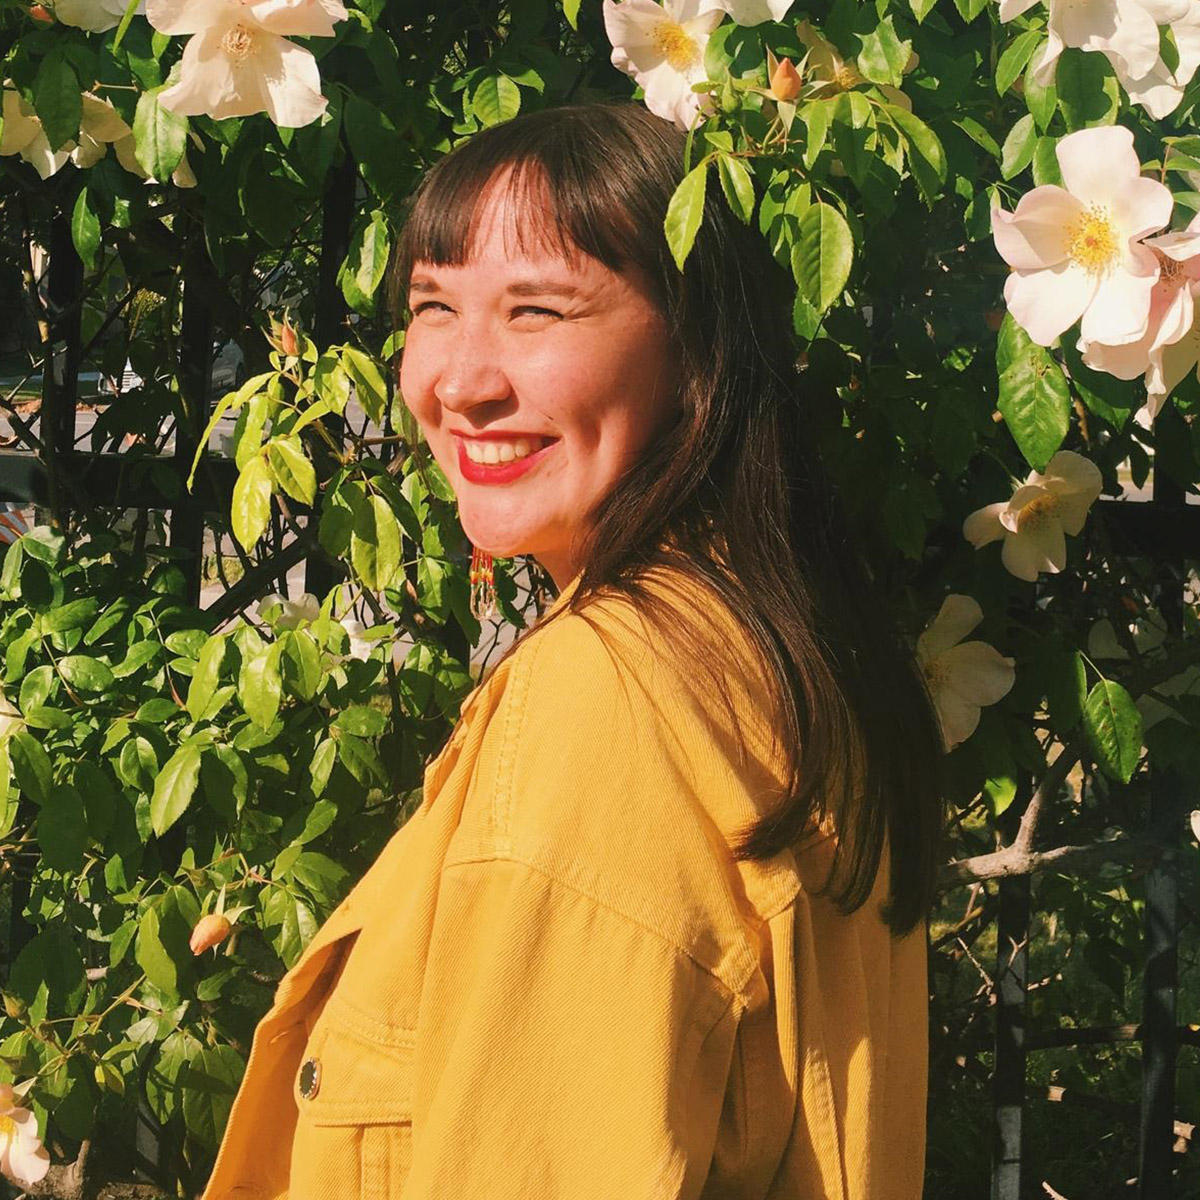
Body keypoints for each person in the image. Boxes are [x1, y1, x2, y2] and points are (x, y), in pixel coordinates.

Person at [202, 102, 944, 1200]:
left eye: (537, 311)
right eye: (435, 308)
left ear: (700, 353)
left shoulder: (605, 700)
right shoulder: (767, 639)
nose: (461, 380)